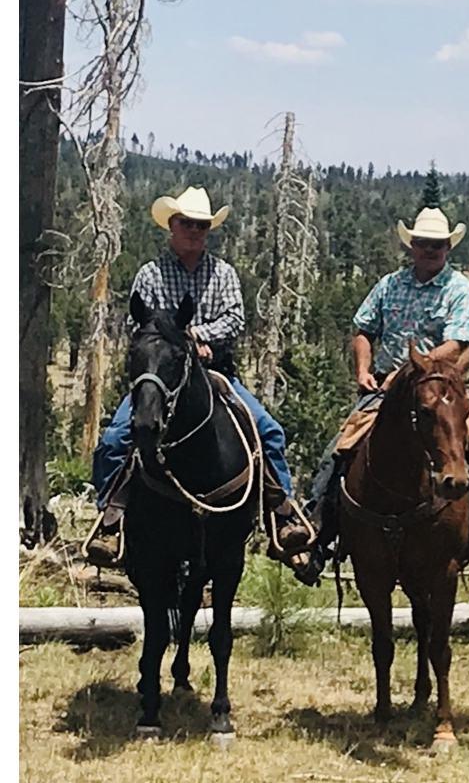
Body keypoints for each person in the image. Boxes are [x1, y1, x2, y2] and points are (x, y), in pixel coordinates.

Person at [87, 186, 309, 567]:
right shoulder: (151, 275)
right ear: (171, 226)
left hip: (215, 374)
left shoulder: (222, 273)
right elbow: (140, 325)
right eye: (187, 224)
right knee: (114, 439)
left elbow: (234, 319)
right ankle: (111, 516)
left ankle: (282, 512)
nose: (194, 231)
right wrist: (184, 343)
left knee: (268, 430)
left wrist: (200, 337)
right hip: (163, 378)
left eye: (201, 225)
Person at [298, 205, 469, 583]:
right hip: (386, 390)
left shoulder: (459, 290)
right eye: (423, 244)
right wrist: (363, 370)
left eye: (437, 245)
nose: (430, 250)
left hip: (440, 390)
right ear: (411, 245)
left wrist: (413, 367)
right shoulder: (389, 285)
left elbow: (457, 345)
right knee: (339, 448)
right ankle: (317, 533)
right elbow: (363, 328)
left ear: (448, 248)